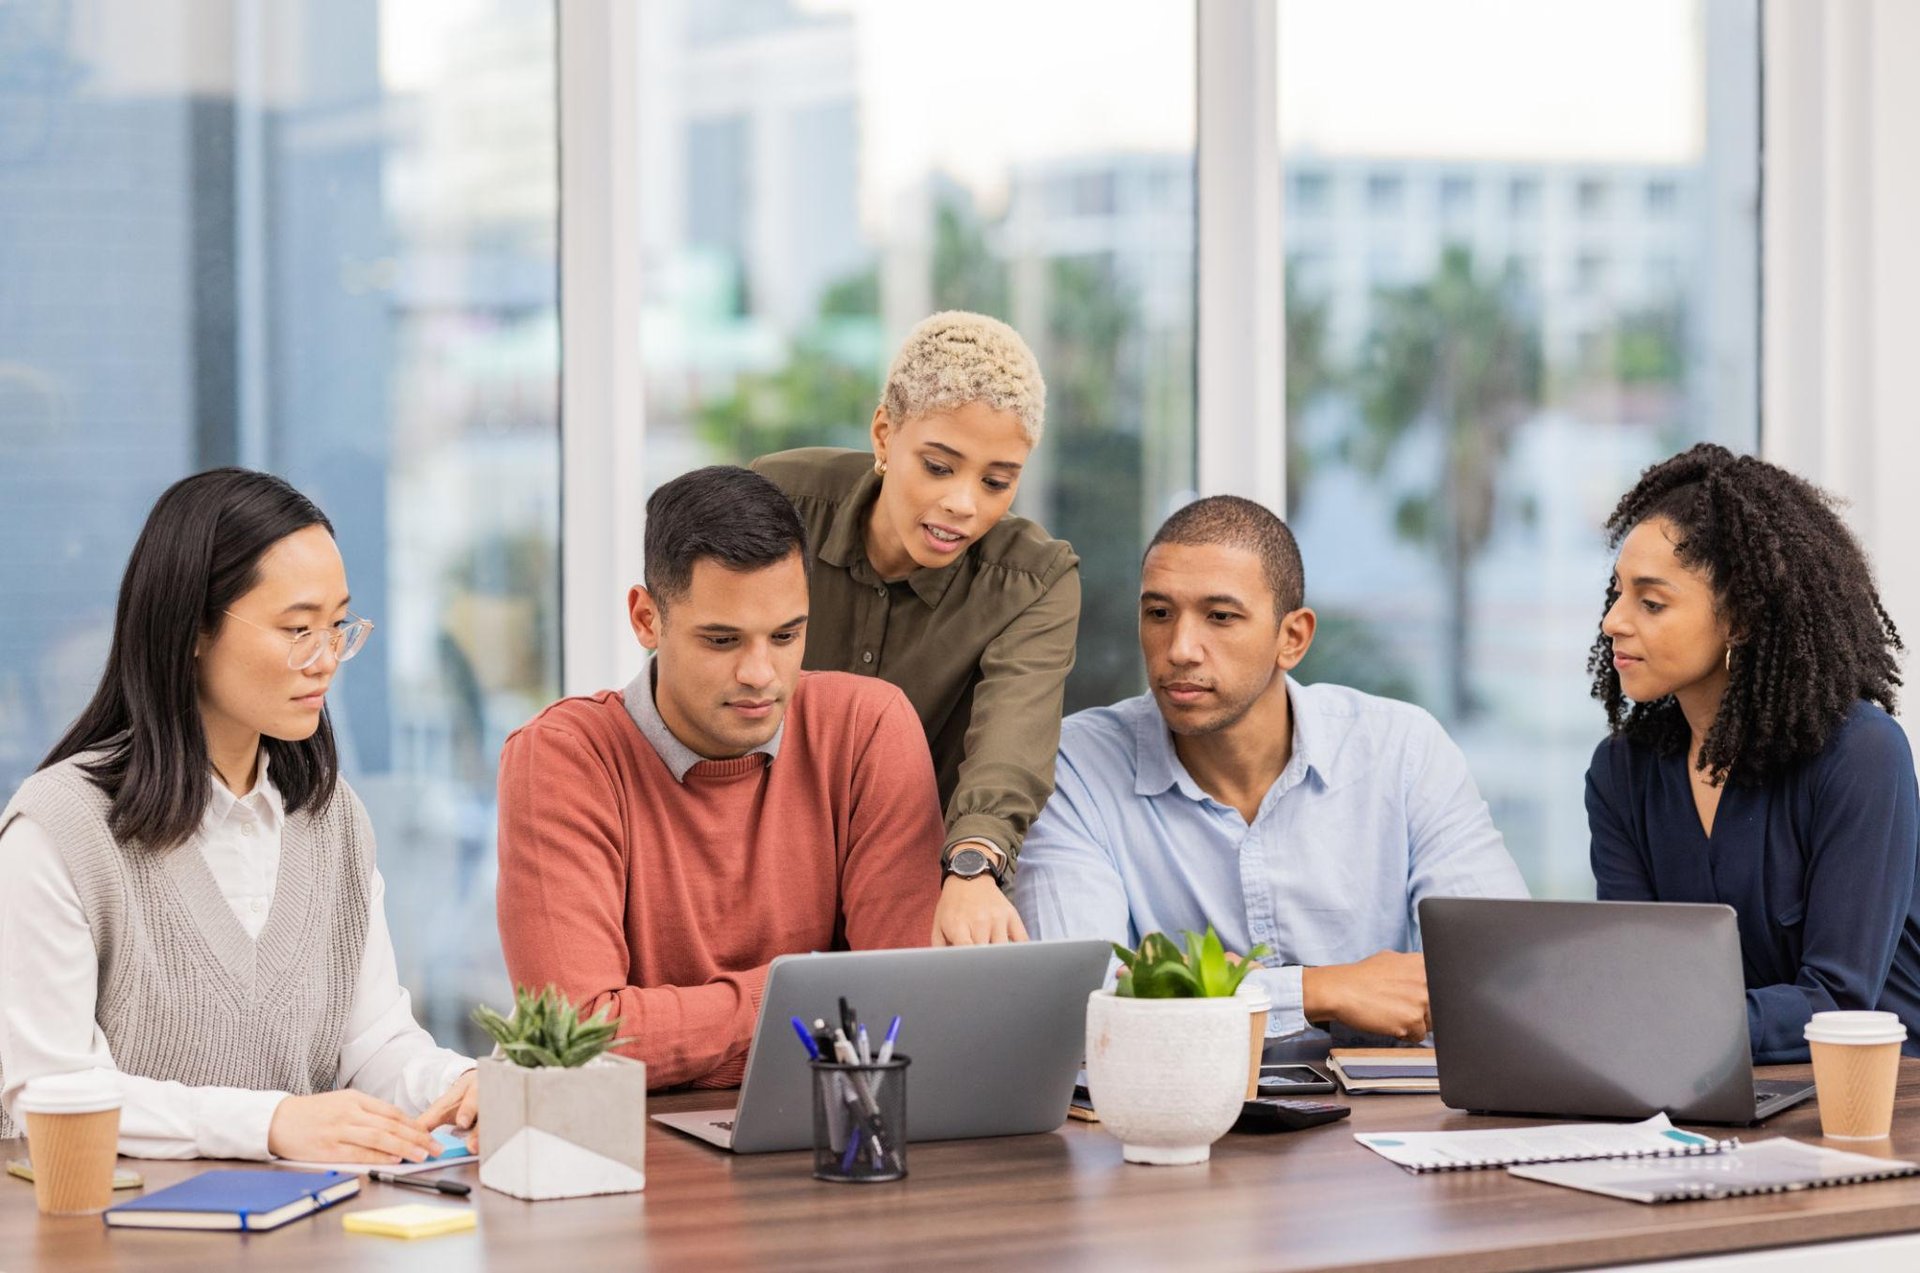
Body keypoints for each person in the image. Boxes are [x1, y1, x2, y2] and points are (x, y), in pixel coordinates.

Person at [0, 469, 475, 1163]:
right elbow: (51, 1086)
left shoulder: (332, 816)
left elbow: (372, 1041)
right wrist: (272, 1122)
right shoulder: (58, 828)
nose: (327, 660)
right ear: (192, 628)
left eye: (338, 625)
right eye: (297, 628)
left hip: (308, 1233)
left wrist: (458, 1082)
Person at [1013, 496, 1527, 1045]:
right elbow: (1080, 1006)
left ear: (1293, 639)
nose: (1181, 649)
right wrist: (1317, 991)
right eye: (1159, 613)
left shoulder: (1402, 750)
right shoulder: (1076, 765)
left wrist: (1217, 994)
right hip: (1183, 1120)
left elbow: (1501, 975)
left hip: (1391, 1120)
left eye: (1221, 617)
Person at [494, 466, 944, 1090]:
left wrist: (672, 1037)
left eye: (786, 635)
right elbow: (577, 1042)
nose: (762, 674)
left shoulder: (869, 729)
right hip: (634, 1156)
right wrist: (813, 989)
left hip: (831, 1134)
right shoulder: (562, 759)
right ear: (647, 619)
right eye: (722, 639)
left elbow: (903, 1010)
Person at [752, 311, 1079, 948]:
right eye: (938, 466)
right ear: (883, 435)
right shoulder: (779, 499)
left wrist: (975, 864)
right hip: (753, 853)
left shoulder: (1035, 580)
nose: (964, 503)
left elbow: (1010, 740)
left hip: (912, 877)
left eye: (996, 482)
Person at [1586, 444, 1920, 1063]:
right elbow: (1637, 984)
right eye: (1618, 593)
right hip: (1704, 1093)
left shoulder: (1862, 756)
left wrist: (1665, 1027)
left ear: (1739, 618)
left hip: (1881, 1105)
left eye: (1650, 602)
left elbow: (1839, 1004)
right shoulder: (1621, 774)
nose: (1613, 621)